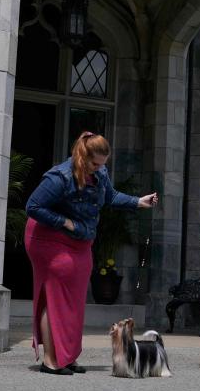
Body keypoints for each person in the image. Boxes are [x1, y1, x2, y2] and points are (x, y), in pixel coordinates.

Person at [24, 131, 157, 375]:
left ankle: (67, 356)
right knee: (55, 297)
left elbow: (110, 196)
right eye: (95, 163)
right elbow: (33, 206)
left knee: (74, 300)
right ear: (82, 156)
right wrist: (64, 222)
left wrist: (139, 201)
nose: (98, 169)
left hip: (80, 240)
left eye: (102, 164)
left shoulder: (99, 173)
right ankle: (51, 361)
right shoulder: (60, 177)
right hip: (49, 239)